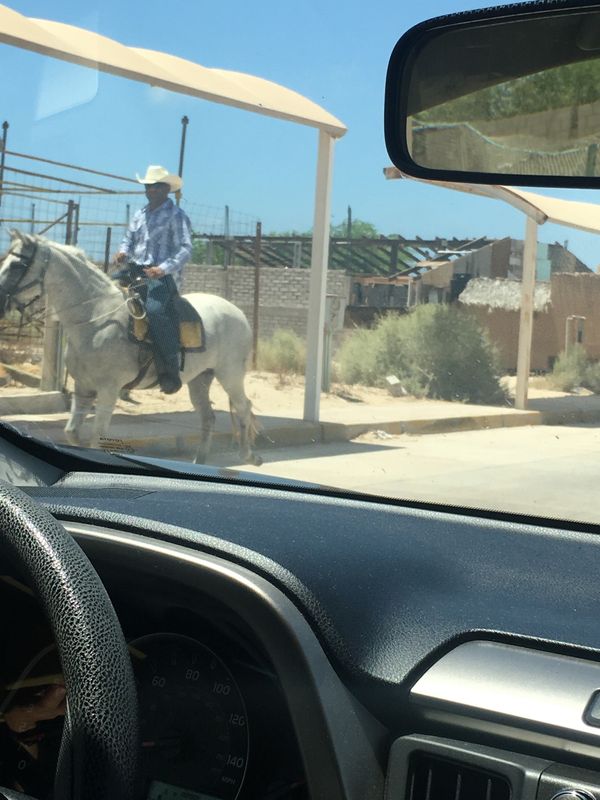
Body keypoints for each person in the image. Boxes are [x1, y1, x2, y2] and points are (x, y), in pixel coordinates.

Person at [113, 165, 193, 394]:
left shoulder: (177, 215)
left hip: (162, 278)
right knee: (103, 290)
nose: (152, 190)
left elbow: (186, 249)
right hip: (135, 270)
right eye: (149, 186)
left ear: (167, 188)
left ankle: (169, 369)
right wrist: (122, 252)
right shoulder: (140, 214)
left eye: (157, 186)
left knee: (155, 310)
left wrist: (163, 268)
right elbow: (128, 240)